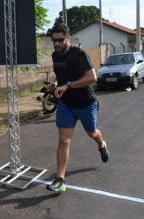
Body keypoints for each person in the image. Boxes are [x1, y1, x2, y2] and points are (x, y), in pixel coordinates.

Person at [46, 24, 109, 192]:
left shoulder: (79, 55)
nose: (57, 44)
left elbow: (92, 77)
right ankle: (60, 179)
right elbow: (61, 77)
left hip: (86, 103)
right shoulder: (55, 56)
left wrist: (67, 85)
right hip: (66, 104)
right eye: (54, 41)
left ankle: (102, 144)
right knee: (63, 140)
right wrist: (56, 84)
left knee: (92, 133)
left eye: (60, 40)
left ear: (68, 38)